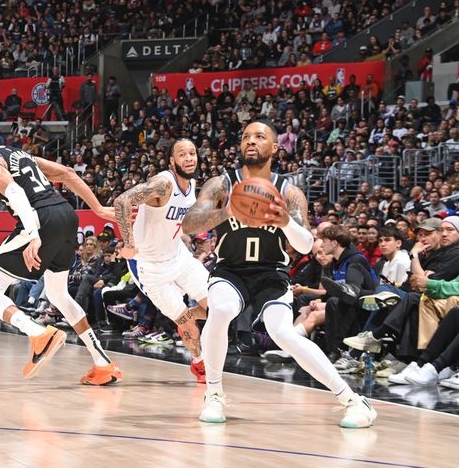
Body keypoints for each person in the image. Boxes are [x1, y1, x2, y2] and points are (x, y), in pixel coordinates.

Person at [181, 120, 376, 428]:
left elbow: (306, 244)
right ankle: (214, 394)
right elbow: (190, 224)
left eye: (259, 136)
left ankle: (352, 399)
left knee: (282, 332)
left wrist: (286, 221)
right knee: (220, 309)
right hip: (230, 270)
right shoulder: (222, 184)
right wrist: (227, 212)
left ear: (275, 147)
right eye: (245, 136)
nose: (250, 141)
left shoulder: (290, 192)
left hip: (272, 272)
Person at [0, 115, 122, 385]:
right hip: (66, 215)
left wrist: (33, 233)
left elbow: (13, 190)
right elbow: (67, 174)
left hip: (40, 219)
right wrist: (98, 208)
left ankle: (38, 333)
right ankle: (103, 363)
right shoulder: (19, 154)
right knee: (59, 295)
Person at [113, 138, 210, 382]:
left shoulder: (192, 183)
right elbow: (122, 201)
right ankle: (198, 361)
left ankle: (185, 314)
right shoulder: (163, 184)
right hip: (152, 267)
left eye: (192, 153)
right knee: (188, 327)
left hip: (180, 258)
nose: (189, 158)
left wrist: (187, 237)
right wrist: (128, 243)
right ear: (171, 161)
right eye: (182, 154)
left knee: (220, 305)